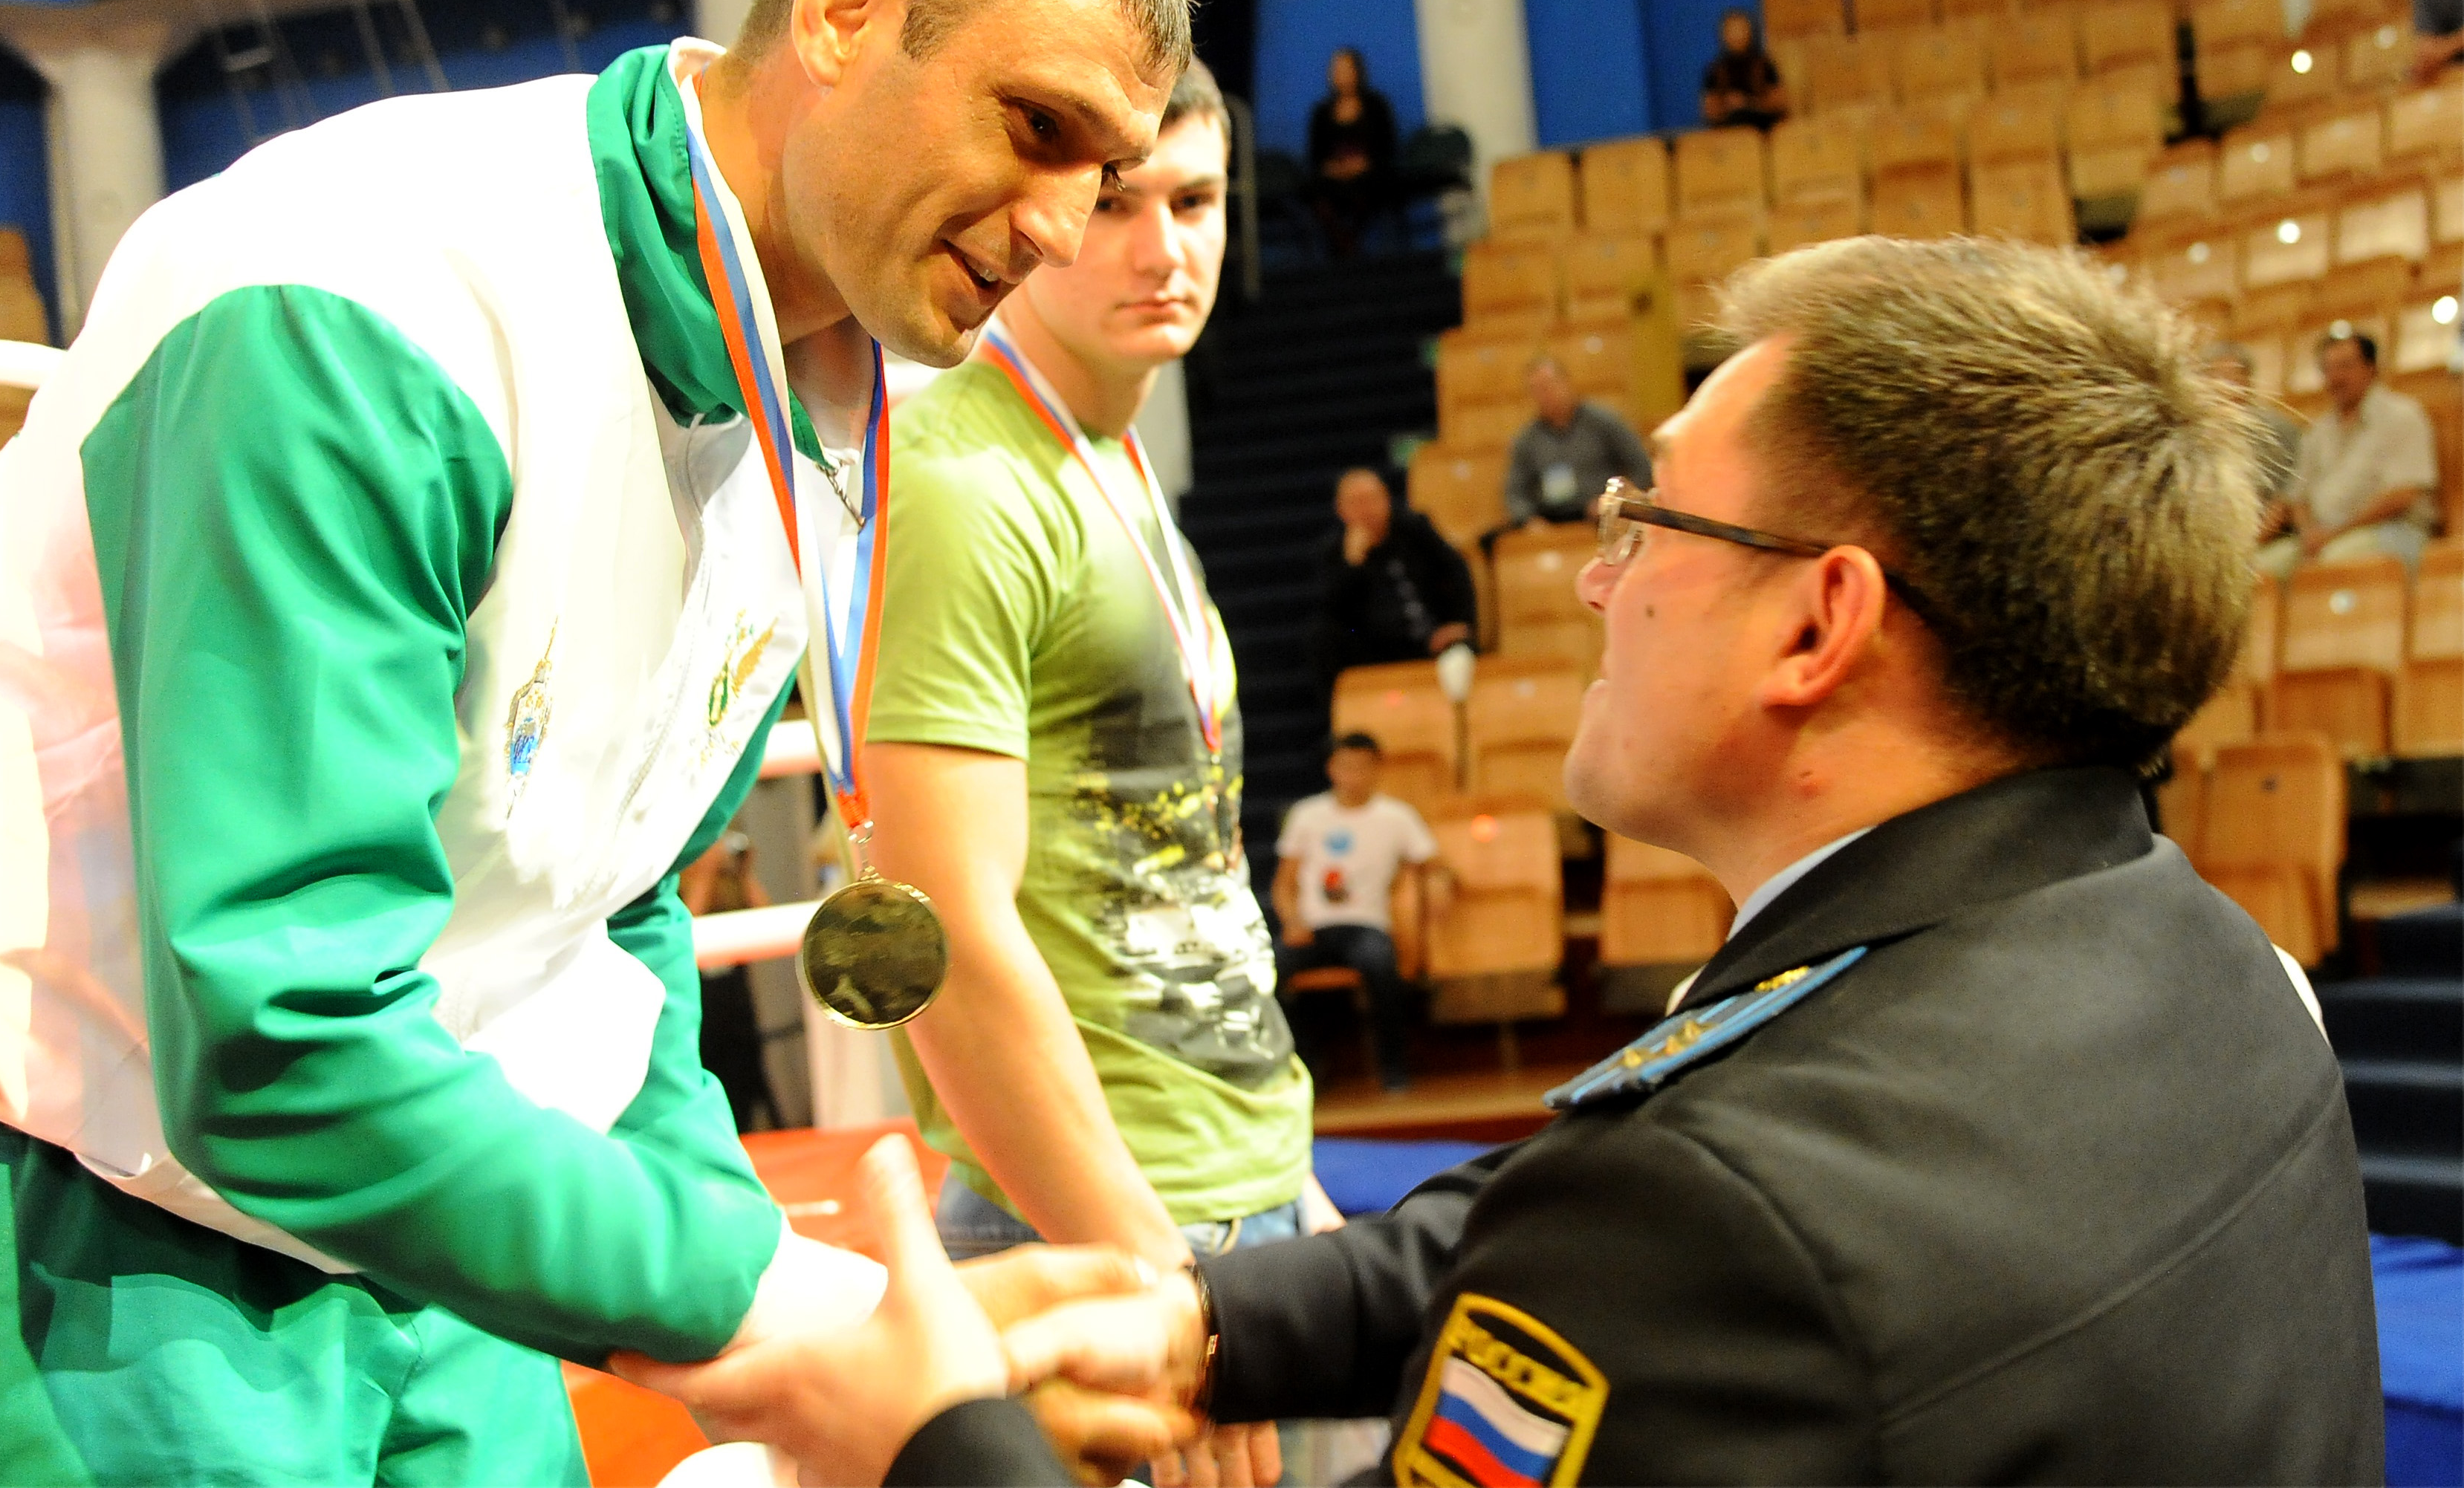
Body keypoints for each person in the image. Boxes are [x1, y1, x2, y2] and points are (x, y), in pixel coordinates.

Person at [0, 0, 1190, 1479]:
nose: (1059, 223)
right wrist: (773, 1301)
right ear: (839, 9)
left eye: (1100, 177)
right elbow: (276, 1039)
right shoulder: (369, 297)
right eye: (1036, 129)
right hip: (105, 1199)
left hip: (449, 1215)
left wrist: (776, 1283)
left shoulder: (817, 396)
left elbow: (609, 911)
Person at [822, 235, 2380, 1486]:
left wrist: (941, 1443)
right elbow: (1631, 1192)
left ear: (1815, 623)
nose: (1590, 573)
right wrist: (1203, 1317)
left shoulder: (1723, 1215)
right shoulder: (2226, 965)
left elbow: (1676, 1221)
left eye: (1652, 515)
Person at [855, 56, 1320, 1476]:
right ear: (1039, 214)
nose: (1163, 248)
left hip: (1232, 1193)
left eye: (1194, 200)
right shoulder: (958, 476)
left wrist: (1286, 1189)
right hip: (1098, 1225)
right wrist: (1146, 1275)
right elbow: (938, 930)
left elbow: (1178, 873)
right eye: (1116, 204)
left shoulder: (1113, 464)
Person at [1271, 734, 1442, 1094]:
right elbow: (1284, 883)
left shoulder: (1397, 816)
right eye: (1345, 766)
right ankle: (1306, 1064)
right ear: (1331, 769)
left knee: (1381, 965)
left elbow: (1434, 864)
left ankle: (1394, 1068)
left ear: (1378, 769)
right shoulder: (1306, 815)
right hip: (1314, 927)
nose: (1354, 775)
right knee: (1266, 974)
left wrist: (1441, 887)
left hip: (1367, 925)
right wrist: (1292, 920)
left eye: (1364, 766)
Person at [2257, 330, 2439, 576]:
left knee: (2331, 565)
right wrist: (2310, 533)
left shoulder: (2403, 417)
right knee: (2258, 571)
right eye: (2327, 369)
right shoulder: (2318, 432)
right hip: (2320, 539)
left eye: (2345, 366)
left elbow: (2402, 495)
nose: (2335, 377)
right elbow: (2298, 498)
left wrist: (2336, 533)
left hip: (2392, 531)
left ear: (2371, 368)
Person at [1310, 467, 1476, 698]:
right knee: (1321, 637)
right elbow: (1334, 611)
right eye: (1356, 503)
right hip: (1376, 649)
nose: (1366, 510)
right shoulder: (1334, 552)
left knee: (1461, 657)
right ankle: (1345, 716)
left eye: (1371, 500)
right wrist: (1352, 565)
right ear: (1340, 510)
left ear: (1387, 499)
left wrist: (1461, 621)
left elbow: (1456, 569)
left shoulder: (1415, 528)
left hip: (1433, 639)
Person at [681, 832, 781, 1132]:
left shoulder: (730, 887)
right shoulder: (675, 891)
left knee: (745, 1093)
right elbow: (685, 932)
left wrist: (744, 873)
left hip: (738, 1014)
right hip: (700, 1017)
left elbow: (771, 925)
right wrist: (704, 877)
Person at [1503, 355, 1652, 528]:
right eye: (1537, 390)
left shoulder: (1603, 422)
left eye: (1549, 385)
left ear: (1566, 383)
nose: (1546, 395)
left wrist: (1615, 501)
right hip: (1553, 521)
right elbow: (1514, 491)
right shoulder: (1527, 440)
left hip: (1600, 515)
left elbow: (1642, 467)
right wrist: (1528, 519)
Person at [1306, 45, 1398, 261]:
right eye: (1336, 69)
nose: (1341, 75)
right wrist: (1334, 168)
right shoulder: (1321, 112)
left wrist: (1364, 164)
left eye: (1346, 69)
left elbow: (1388, 146)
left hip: (1369, 175)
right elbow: (1316, 154)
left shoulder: (1377, 106)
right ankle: (1347, 246)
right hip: (1333, 179)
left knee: (1369, 187)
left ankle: (1345, 248)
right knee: (1315, 192)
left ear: (1358, 71)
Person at [2207, 339, 2303, 542]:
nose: (2225, 385)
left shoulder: (2277, 429)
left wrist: (2253, 541)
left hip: (2270, 538)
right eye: (2216, 377)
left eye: (2232, 375)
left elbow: (2288, 496)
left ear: (2248, 380)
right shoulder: (2199, 436)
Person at [1700, 6, 1788, 131]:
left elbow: (1780, 102)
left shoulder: (1764, 64)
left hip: (1763, 128)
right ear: (1723, 34)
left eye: (1740, 29)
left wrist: (1748, 103)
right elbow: (1710, 111)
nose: (1737, 36)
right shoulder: (1715, 70)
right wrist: (1728, 105)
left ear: (1750, 31)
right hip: (1729, 130)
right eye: (1732, 30)